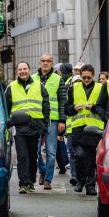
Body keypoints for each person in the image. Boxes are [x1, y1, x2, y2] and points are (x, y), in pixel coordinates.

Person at [6, 61, 50, 194]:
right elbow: (6, 107)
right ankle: (23, 184)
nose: (23, 71)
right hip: (19, 128)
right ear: (17, 72)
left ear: (29, 70)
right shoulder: (11, 87)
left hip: (35, 126)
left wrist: (45, 122)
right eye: (20, 69)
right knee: (22, 156)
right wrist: (8, 124)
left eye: (25, 69)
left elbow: (46, 104)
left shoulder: (39, 85)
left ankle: (30, 181)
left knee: (32, 156)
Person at [65, 64, 104, 195]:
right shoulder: (73, 88)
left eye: (88, 77)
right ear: (80, 76)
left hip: (94, 128)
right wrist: (73, 108)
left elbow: (103, 108)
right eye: (84, 77)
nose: (86, 80)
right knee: (80, 155)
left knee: (92, 158)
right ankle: (81, 180)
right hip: (79, 128)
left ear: (93, 76)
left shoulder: (100, 88)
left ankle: (90, 185)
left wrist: (93, 107)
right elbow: (67, 109)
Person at [33, 54, 67, 190]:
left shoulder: (58, 79)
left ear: (52, 63)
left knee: (51, 152)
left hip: (53, 119)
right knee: (35, 151)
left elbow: (62, 101)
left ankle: (48, 179)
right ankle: (42, 171)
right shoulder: (33, 79)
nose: (45, 63)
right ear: (39, 63)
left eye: (48, 61)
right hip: (37, 119)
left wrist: (62, 120)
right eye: (43, 61)